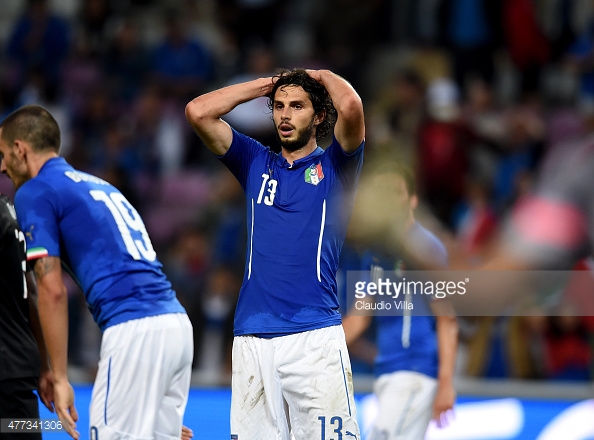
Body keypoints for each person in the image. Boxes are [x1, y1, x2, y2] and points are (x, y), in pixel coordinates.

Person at [185, 68, 365, 439]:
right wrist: (268, 85)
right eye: (279, 106)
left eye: (297, 106)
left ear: (318, 117)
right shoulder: (253, 160)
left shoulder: (336, 167)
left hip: (314, 336)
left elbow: (350, 104)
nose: (284, 114)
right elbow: (198, 111)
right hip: (252, 336)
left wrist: (315, 74)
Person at [0, 105, 193, 440]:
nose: (2, 167)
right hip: (175, 326)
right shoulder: (99, 186)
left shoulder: (35, 191)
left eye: (2, 154)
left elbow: (51, 290)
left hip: (133, 328)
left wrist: (59, 377)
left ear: (20, 149)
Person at [343, 163, 458, 439]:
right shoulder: (374, 253)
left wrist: (446, 383)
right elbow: (359, 317)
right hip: (387, 371)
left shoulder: (426, 248)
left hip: (414, 372)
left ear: (413, 199)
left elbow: (448, 319)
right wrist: (318, 351)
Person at [0, 192, 54, 439]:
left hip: (9, 372)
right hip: (18, 369)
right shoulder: (12, 211)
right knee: (24, 428)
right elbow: (32, 291)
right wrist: (46, 367)